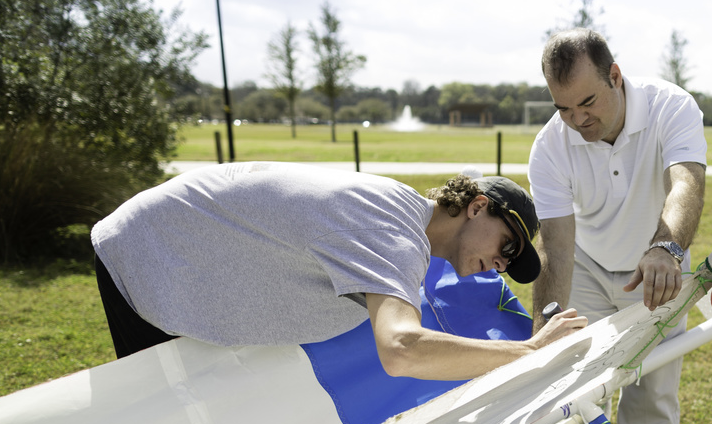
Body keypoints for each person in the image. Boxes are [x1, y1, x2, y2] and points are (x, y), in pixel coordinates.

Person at [91, 162, 586, 378]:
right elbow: (402, 350)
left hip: (169, 256)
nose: (500, 267)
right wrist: (527, 350)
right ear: (477, 206)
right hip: (148, 257)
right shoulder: (396, 234)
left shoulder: (398, 215)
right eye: (507, 245)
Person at [527, 28, 707, 424]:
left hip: (660, 268)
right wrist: (546, 321)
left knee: (652, 399)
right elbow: (556, 245)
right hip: (584, 268)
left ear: (615, 76)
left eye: (587, 102)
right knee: (577, 392)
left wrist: (666, 247)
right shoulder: (550, 148)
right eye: (563, 108)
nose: (577, 119)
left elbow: (686, 184)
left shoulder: (672, 106)